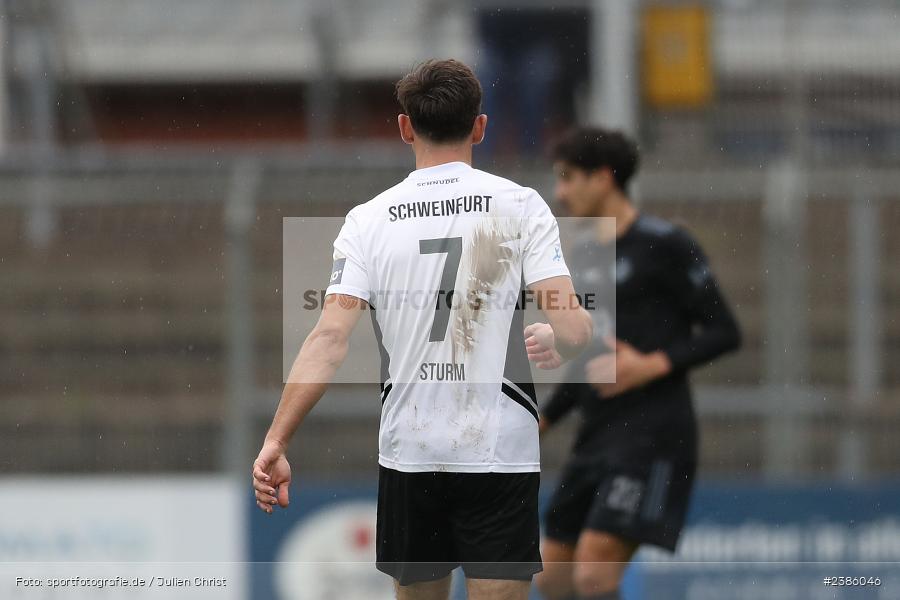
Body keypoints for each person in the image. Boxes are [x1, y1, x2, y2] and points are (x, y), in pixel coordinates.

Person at [251, 59, 593, 600]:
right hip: (497, 448)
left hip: (411, 449)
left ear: (405, 127)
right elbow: (572, 327)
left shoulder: (369, 220)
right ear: (481, 126)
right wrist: (561, 337)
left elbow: (329, 340)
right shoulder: (522, 206)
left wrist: (276, 439)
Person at [534, 127, 742, 600]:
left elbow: (725, 332)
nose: (560, 192)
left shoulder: (666, 245)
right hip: (597, 432)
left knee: (594, 573)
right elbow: (589, 355)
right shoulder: (582, 257)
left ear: (604, 178)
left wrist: (652, 364)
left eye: (568, 178)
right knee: (553, 577)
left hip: (653, 434)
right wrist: (544, 418)